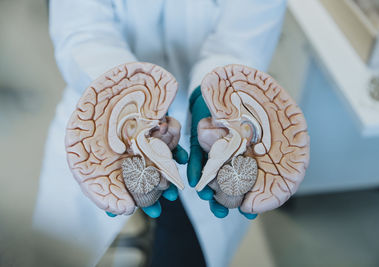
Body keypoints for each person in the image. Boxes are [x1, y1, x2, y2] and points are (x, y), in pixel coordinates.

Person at [33, 0, 287, 266]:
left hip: (222, 118)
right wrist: (124, 97)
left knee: (184, 250)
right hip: (103, 113)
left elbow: (240, 40)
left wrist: (212, 94)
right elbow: (83, 30)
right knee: (64, 250)